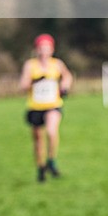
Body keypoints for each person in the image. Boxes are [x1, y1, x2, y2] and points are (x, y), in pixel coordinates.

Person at [19, 33, 73, 183]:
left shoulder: (57, 64)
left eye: (47, 48)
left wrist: (64, 87)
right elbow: (22, 86)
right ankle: (41, 167)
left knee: (51, 131)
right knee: (38, 140)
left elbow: (68, 77)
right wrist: (35, 81)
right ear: (37, 49)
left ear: (52, 49)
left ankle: (52, 160)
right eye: (41, 48)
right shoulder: (30, 65)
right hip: (35, 107)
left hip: (53, 105)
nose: (44, 51)